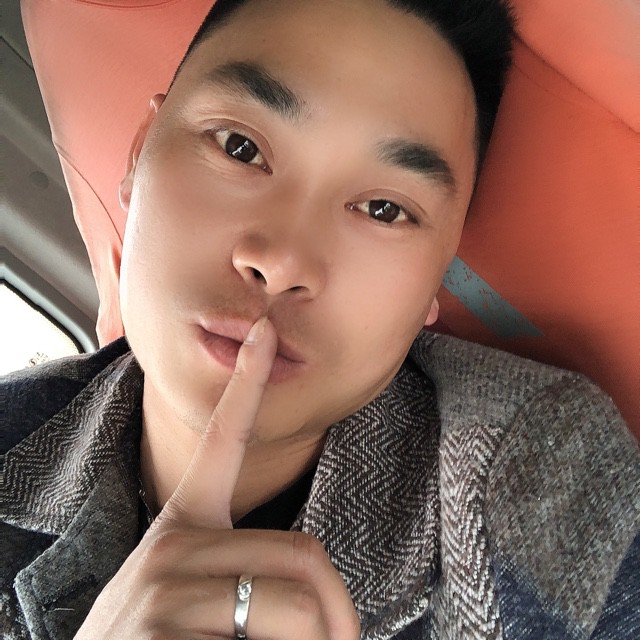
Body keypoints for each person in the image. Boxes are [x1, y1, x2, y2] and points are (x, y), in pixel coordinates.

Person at [2, 0, 638, 638]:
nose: (281, 263)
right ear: (139, 154)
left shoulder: (539, 475)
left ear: (435, 283)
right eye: (241, 148)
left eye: (384, 209)